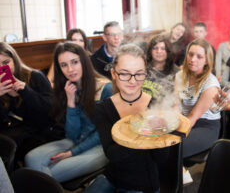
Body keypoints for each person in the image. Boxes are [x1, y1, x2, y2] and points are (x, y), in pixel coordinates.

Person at [85, 44, 168, 193]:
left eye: (139, 73)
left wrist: (160, 132)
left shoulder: (155, 105)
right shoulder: (103, 108)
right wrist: (142, 131)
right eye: (124, 73)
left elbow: (161, 158)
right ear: (114, 74)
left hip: (143, 183)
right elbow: (112, 155)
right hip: (113, 176)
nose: (132, 80)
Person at [25, 42, 111, 182]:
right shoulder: (68, 88)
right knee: (31, 159)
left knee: (44, 176)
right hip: (76, 140)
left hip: (100, 146)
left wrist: (72, 153)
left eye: (75, 62)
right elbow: (72, 134)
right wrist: (71, 102)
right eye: (64, 65)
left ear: (84, 62)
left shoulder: (105, 88)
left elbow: (103, 133)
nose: (70, 69)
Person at [175, 38, 220, 184]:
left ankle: (179, 177)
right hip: (184, 119)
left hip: (205, 126)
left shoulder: (211, 84)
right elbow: (176, 105)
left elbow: (193, 117)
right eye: (190, 54)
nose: (193, 59)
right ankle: (179, 173)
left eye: (199, 56)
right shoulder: (180, 76)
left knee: (170, 146)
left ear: (207, 60)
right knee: (160, 143)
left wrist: (172, 133)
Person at [0, 42, 53, 162]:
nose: (2, 68)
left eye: (6, 62)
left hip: (39, 133)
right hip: (13, 135)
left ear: (15, 60)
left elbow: (50, 109)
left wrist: (26, 91)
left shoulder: (34, 76)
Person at [142, 34, 179, 101]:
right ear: (150, 51)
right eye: (155, 48)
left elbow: (177, 99)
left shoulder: (176, 72)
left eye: (163, 48)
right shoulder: (142, 67)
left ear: (168, 51)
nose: (159, 51)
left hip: (161, 109)